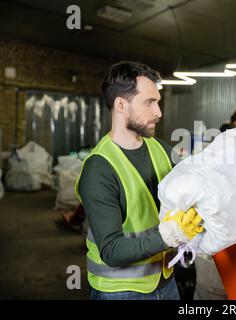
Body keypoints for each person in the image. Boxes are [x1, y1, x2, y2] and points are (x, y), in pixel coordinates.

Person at [75, 61, 204, 300]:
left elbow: (193, 183)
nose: (159, 112)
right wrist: (168, 236)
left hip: (165, 281)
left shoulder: (160, 149)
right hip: (120, 291)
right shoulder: (99, 169)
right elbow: (111, 251)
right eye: (149, 102)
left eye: (158, 102)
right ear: (121, 105)